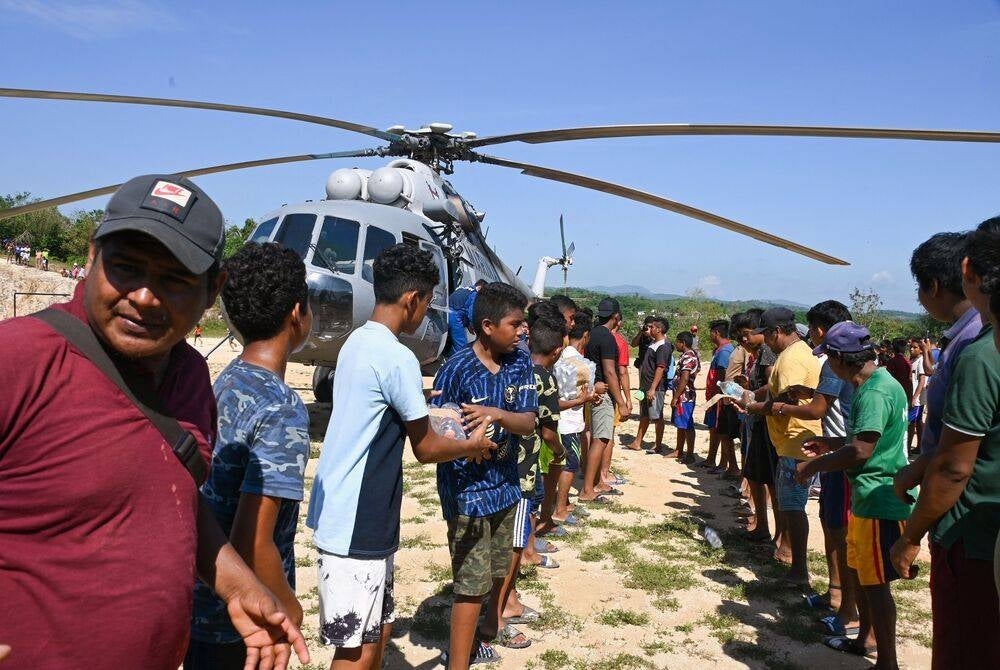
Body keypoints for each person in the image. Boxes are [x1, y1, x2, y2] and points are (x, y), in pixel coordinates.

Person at [0, 174, 308, 670]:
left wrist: (237, 581)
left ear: (214, 291)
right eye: (126, 268)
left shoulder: (191, 378)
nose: (144, 296)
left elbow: (173, 501)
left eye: (174, 280)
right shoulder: (17, 360)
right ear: (91, 257)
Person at [307, 245, 494, 669]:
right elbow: (426, 448)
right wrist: (472, 444)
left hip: (353, 507)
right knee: (354, 647)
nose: (425, 314)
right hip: (359, 516)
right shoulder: (398, 357)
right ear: (413, 299)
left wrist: (427, 405)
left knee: (377, 629)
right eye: (427, 303)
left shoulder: (359, 341)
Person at [186, 243, 314, 669]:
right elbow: (253, 541)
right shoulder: (282, 407)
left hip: (201, 602)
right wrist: (288, 609)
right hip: (245, 623)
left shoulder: (225, 380)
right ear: (298, 312)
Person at [889, 218, 1000, 669]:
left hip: (972, 533)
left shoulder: (981, 352)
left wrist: (910, 536)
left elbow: (957, 468)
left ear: (967, 270)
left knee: (965, 648)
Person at [431, 282, 537, 669]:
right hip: (467, 492)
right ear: (488, 326)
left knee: (498, 569)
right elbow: (437, 428)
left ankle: (484, 634)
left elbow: (527, 420)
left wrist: (494, 414)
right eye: (516, 324)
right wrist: (466, 443)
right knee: (470, 586)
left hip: (506, 488)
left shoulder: (520, 363)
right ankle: (458, 661)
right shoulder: (456, 368)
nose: (524, 330)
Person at [797, 321, 913, 668]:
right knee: (864, 576)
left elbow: (862, 451)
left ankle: (886, 661)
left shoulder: (874, 392)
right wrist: (831, 444)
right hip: (867, 496)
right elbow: (866, 442)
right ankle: (864, 637)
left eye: (828, 359)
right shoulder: (879, 384)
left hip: (878, 497)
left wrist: (813, 466)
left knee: (876, 585)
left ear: (838, 358)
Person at [893, 232, 983, 522]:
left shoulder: (972, 344)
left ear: (933, 286)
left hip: (962, 514)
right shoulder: (967, 336)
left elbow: (956, 460)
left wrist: (912, 532)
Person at [497, 313, 567, 646]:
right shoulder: (544, 380)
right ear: (556, 350)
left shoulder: (514, 370)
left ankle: (507, 601)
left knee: (511, 542)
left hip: (508, 466)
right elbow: (549, 430)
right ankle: (503, 609)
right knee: (513, 545)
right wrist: (562, 454)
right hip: (524, 473)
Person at [743, 307, 821, 588]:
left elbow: (786, 404)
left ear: (776, 332)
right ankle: (789, 555)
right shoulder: (800, 353)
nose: (765, 340)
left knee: (793, 508)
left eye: (766, 334)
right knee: (790, 504)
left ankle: (797, 566)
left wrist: (755, 408)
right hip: (794, 440)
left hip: (796, 441)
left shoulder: (789, 360)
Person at [802, 300, 859, 637]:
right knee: (834, 525)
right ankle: (837, 594)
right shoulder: (863, 364)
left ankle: (844, 605)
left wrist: (776, 405)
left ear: (821, 330)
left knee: (839, 531)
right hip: (840, 450)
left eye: (811, 329)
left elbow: (817, 409)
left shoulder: (834, 364)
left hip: (843, 460)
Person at [734, 309, 779, 544]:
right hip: (757, 420)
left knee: (768, 480)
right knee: (755, 475)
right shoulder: (760, 354)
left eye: (747, 334)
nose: (744, 340)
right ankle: (762, 525)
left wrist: (750, 395)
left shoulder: (768, 353)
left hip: (765, 423)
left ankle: (776, 532)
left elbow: (773, 386)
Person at [580, 298, 630, 502]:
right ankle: (587, 490)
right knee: (600, 439)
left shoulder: (592, 334)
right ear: (616, 316)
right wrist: (621, 402)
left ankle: (598, 483)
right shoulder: (608, 338)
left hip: (593, 391)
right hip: (603, 394)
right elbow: (610, 371)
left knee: (598, 436)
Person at [632, 317, 672, 453]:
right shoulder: (653, 343)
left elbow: (660, 368)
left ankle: (658, 445)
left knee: (656, 416)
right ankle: (637, 442)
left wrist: (653, 388)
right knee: (644, 414)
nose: (650, 329)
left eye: (653, 327)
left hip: (655, 388)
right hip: (646, 386)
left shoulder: (663, 346)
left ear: (659, 329)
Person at [672, 331, 700, 464]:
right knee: (681, 424)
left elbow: (684, 378)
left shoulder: (689, 357)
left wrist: (676, 396)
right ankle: (679, 450)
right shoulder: (687, 355)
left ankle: (689, 453)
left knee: (687, 424)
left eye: (677, 341)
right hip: (683, 396)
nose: (676, 344)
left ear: (682, 343)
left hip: (685, 396)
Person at [446, 279, 486, 357]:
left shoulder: (463, 288)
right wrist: (475, 327)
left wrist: (468, 325)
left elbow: (463, 306)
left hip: (447, 313)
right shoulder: (474, 294)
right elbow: (471, 313)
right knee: (461, 345)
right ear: (480, 287)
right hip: (455, 318)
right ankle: (457, 363)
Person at [907, 338, 928, 452]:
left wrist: (915, 397)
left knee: (911, 422)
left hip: (917, 399)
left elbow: (922, 381)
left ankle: (908, 447)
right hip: (914, 396)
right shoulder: (913, 360)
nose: (911, 349)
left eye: (915, 347)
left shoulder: (921, 361)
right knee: (917, 422)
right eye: (911, 347)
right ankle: (919, 446)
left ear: (920, 350)